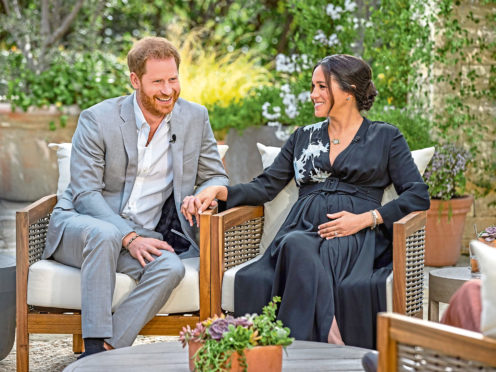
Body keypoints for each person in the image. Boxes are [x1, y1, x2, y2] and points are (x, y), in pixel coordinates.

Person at [182, 54, 430, 349]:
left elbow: (418, 194)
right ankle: (330, 334)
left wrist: (367, 219)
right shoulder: (303, 136)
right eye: (313, 86)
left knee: (297, 246)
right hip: (302, 229)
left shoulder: (385, 137)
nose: (313, 94)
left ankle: (294, 352)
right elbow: (265, 186)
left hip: (354, 236)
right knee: (294, 243)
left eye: (322, 87)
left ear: (349, 90)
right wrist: (221, 192)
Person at [43, 37, 228, 358]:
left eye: (173, 79)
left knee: (170, 268)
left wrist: (204, 192)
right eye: (157, 81)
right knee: (105, 233)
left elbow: (215, 175)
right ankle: (93, 346)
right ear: (135, 80)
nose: (168, 90)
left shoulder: (195, 118)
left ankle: (108, 349)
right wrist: (128, 237)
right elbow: (85, 194)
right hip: (82, 228)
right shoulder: (98, 119)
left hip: (143, 236)